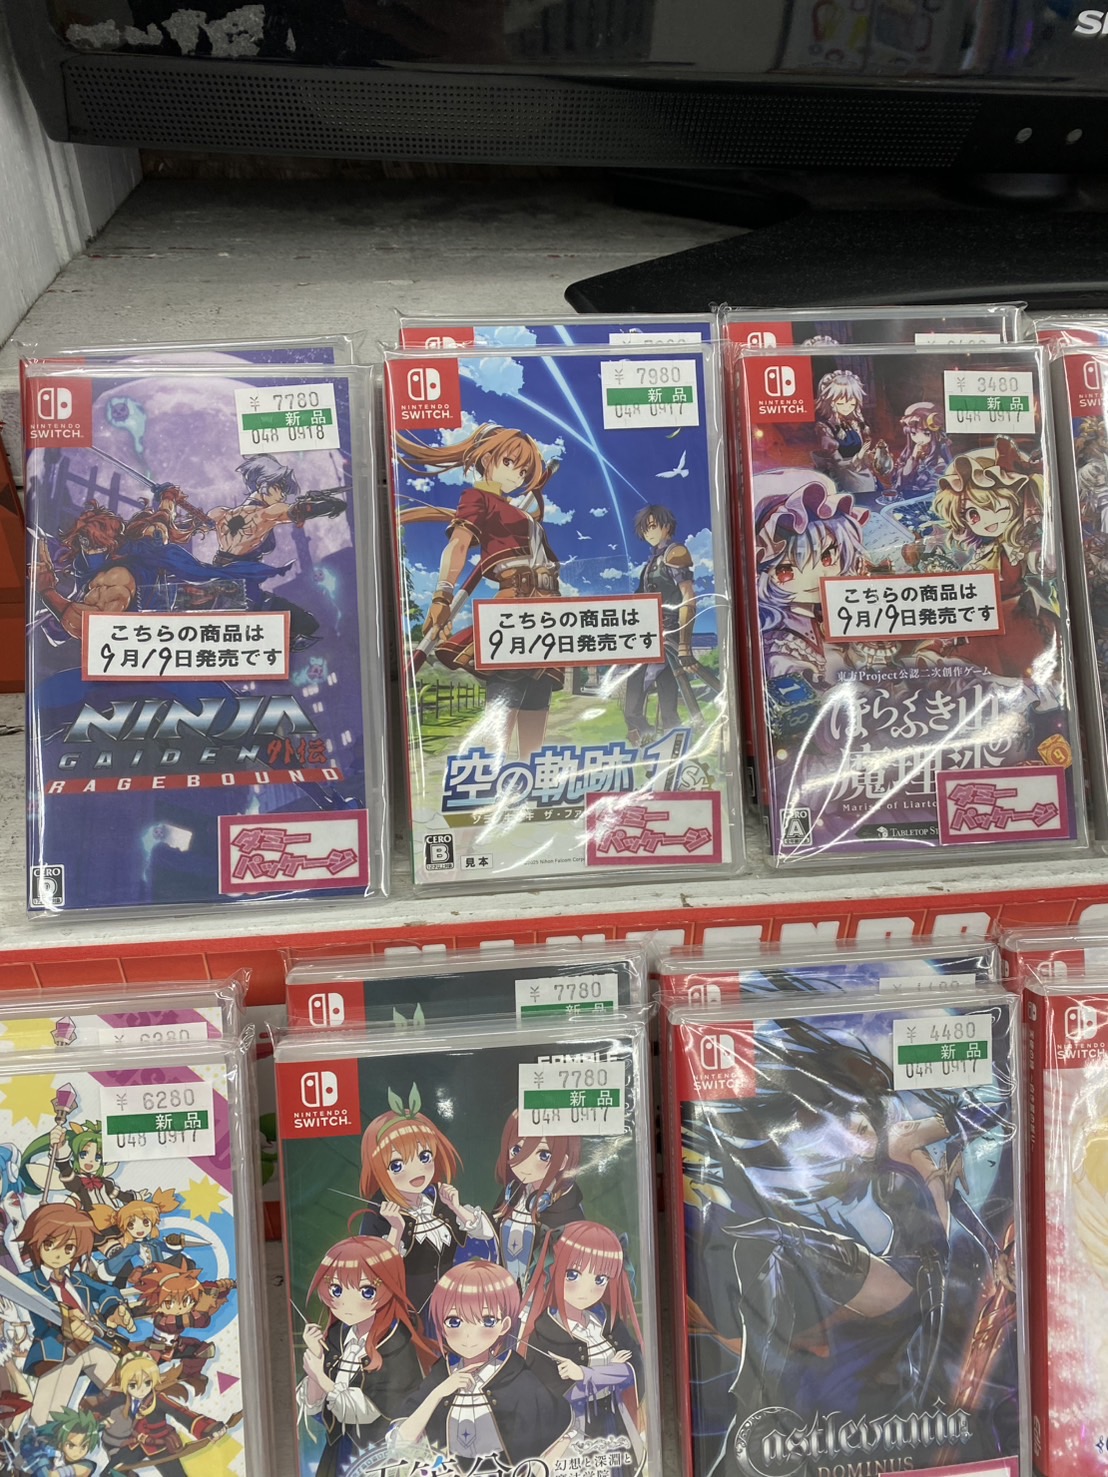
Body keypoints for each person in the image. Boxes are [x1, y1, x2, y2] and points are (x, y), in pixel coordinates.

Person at [396, 422, 563, 758]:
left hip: (548, 611)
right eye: (509, 463)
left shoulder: (522, 512)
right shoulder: (478, 499)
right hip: (515, 605)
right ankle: (490, 775)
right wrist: (442, 595)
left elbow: (534, 517)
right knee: (507, 692)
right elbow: (459, 544)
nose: (517, 475)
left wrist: (535, 492)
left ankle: (532, 778)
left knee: (538, 695)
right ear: (487, 459)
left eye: (524, 471)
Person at [393, 1260, 571, 1467]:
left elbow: (562, 1436)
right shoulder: (442, 1373)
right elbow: (399, 1442)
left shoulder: (515, 1375)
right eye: (454, 1321)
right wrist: (439, 1393)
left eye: (487, 1321)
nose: (469, 1335)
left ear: (504, 1325)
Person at [357, 1086, 496, 1326]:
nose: (417, 1170)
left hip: (455, 1308)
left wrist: (456, 1208)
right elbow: (373, 1275)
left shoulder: (440, 1197)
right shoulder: (378, 1213)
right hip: (408, 1313)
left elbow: (485, 1236)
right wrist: (396, 1229)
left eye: (424, 1157)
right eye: (397, 1165)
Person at [297, 1236, 430, 1477]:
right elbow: (318, 1411)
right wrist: (316, 1359)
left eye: (366, 1291)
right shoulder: (337, 1335)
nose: (347, 1304)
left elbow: (370, 1410)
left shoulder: (396, 1341)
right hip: (339, 1450)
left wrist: (321, 1377)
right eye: (336, 1290)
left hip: (380, 1454)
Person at [520, 1221, 645, 1466]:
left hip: (616, 1424)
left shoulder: (607, 1321)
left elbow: (636, 1367)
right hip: (573, 1435)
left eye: (600, 1279)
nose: (586, 1290)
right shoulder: (544, 1333)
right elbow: (551, 1396)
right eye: (573, 1275)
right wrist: (612, 1372)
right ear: (554, 1270)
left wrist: (585, 1375)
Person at [931, 441, 1057, 679]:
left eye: (999, 507)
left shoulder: (1017, 548)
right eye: (973, 513)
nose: (987, 520)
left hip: (1012, 625)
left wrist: (1047, 547)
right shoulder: (987, 549)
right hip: (980, 619)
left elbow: (1044, 564)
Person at [15, 1203, 136, 1426]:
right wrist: (66, 1319)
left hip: (95, 1345)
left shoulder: (79, 1280)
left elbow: (107, 1291)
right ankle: (40, 1435)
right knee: (45, 1418)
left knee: (130, 1384)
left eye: (69, 1247)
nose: (59, 1253)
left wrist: (114, 1310)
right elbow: (32, 1307)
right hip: (57, 1352)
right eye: (50, 1244)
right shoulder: (27, 1282)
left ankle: (131, 1423)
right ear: (37, 1244)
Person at [754, 473, 868, 686]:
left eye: (827, 557)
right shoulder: (778, 645)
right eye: (786, 570)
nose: (816, 576)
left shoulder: (822, 611)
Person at [623, 505, 697, 745]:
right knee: (653, 704)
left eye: (653, 526)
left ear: (667, 526)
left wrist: (684, 645)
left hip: (667, 638)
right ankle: (660, 743)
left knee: (649, 705)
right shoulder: (652, 561)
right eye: (645, 529)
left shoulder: (675, 553)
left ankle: (667, 743)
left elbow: (688, 598)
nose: (649, 533)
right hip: (649, 637)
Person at [490, 1113, 582, 1289]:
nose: (524, 1163)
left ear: (563, 1161)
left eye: (544, 1155)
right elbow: (493, 1233)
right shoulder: (512, 1193)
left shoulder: (567, 1211)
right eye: (517, 1150)